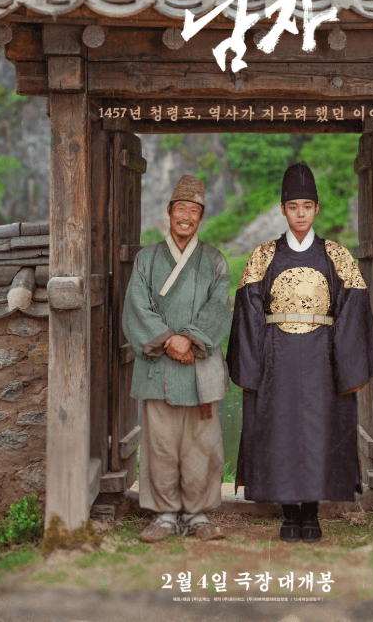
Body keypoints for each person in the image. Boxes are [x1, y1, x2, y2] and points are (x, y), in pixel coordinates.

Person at [226, 161, 373, 543]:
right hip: (276, 356)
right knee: (280, 431)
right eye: (292, 206)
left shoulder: (337, 256)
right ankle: (288, 512)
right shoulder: (263, 255)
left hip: (322, 357)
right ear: (283, 210)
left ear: (316, 210)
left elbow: (353, 309)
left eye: (306, 206)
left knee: (319, 430)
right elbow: (249, 311)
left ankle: (312, 512)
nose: (299, 213)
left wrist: (343, 360)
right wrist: (255, 363)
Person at [122, 175, 232, 543]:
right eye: (180, 209)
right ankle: (165, 515)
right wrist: (170, 341)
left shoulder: (215, 260)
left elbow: (219, 307)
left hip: (200, 367)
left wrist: (191, 339)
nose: (186, 216)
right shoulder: (147, 259)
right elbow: (136, 306)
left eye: (194, 210)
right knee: (161, 445)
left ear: (201, 218)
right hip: (160, 368)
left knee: (203, 445)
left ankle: (198, 515)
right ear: (169, 213)